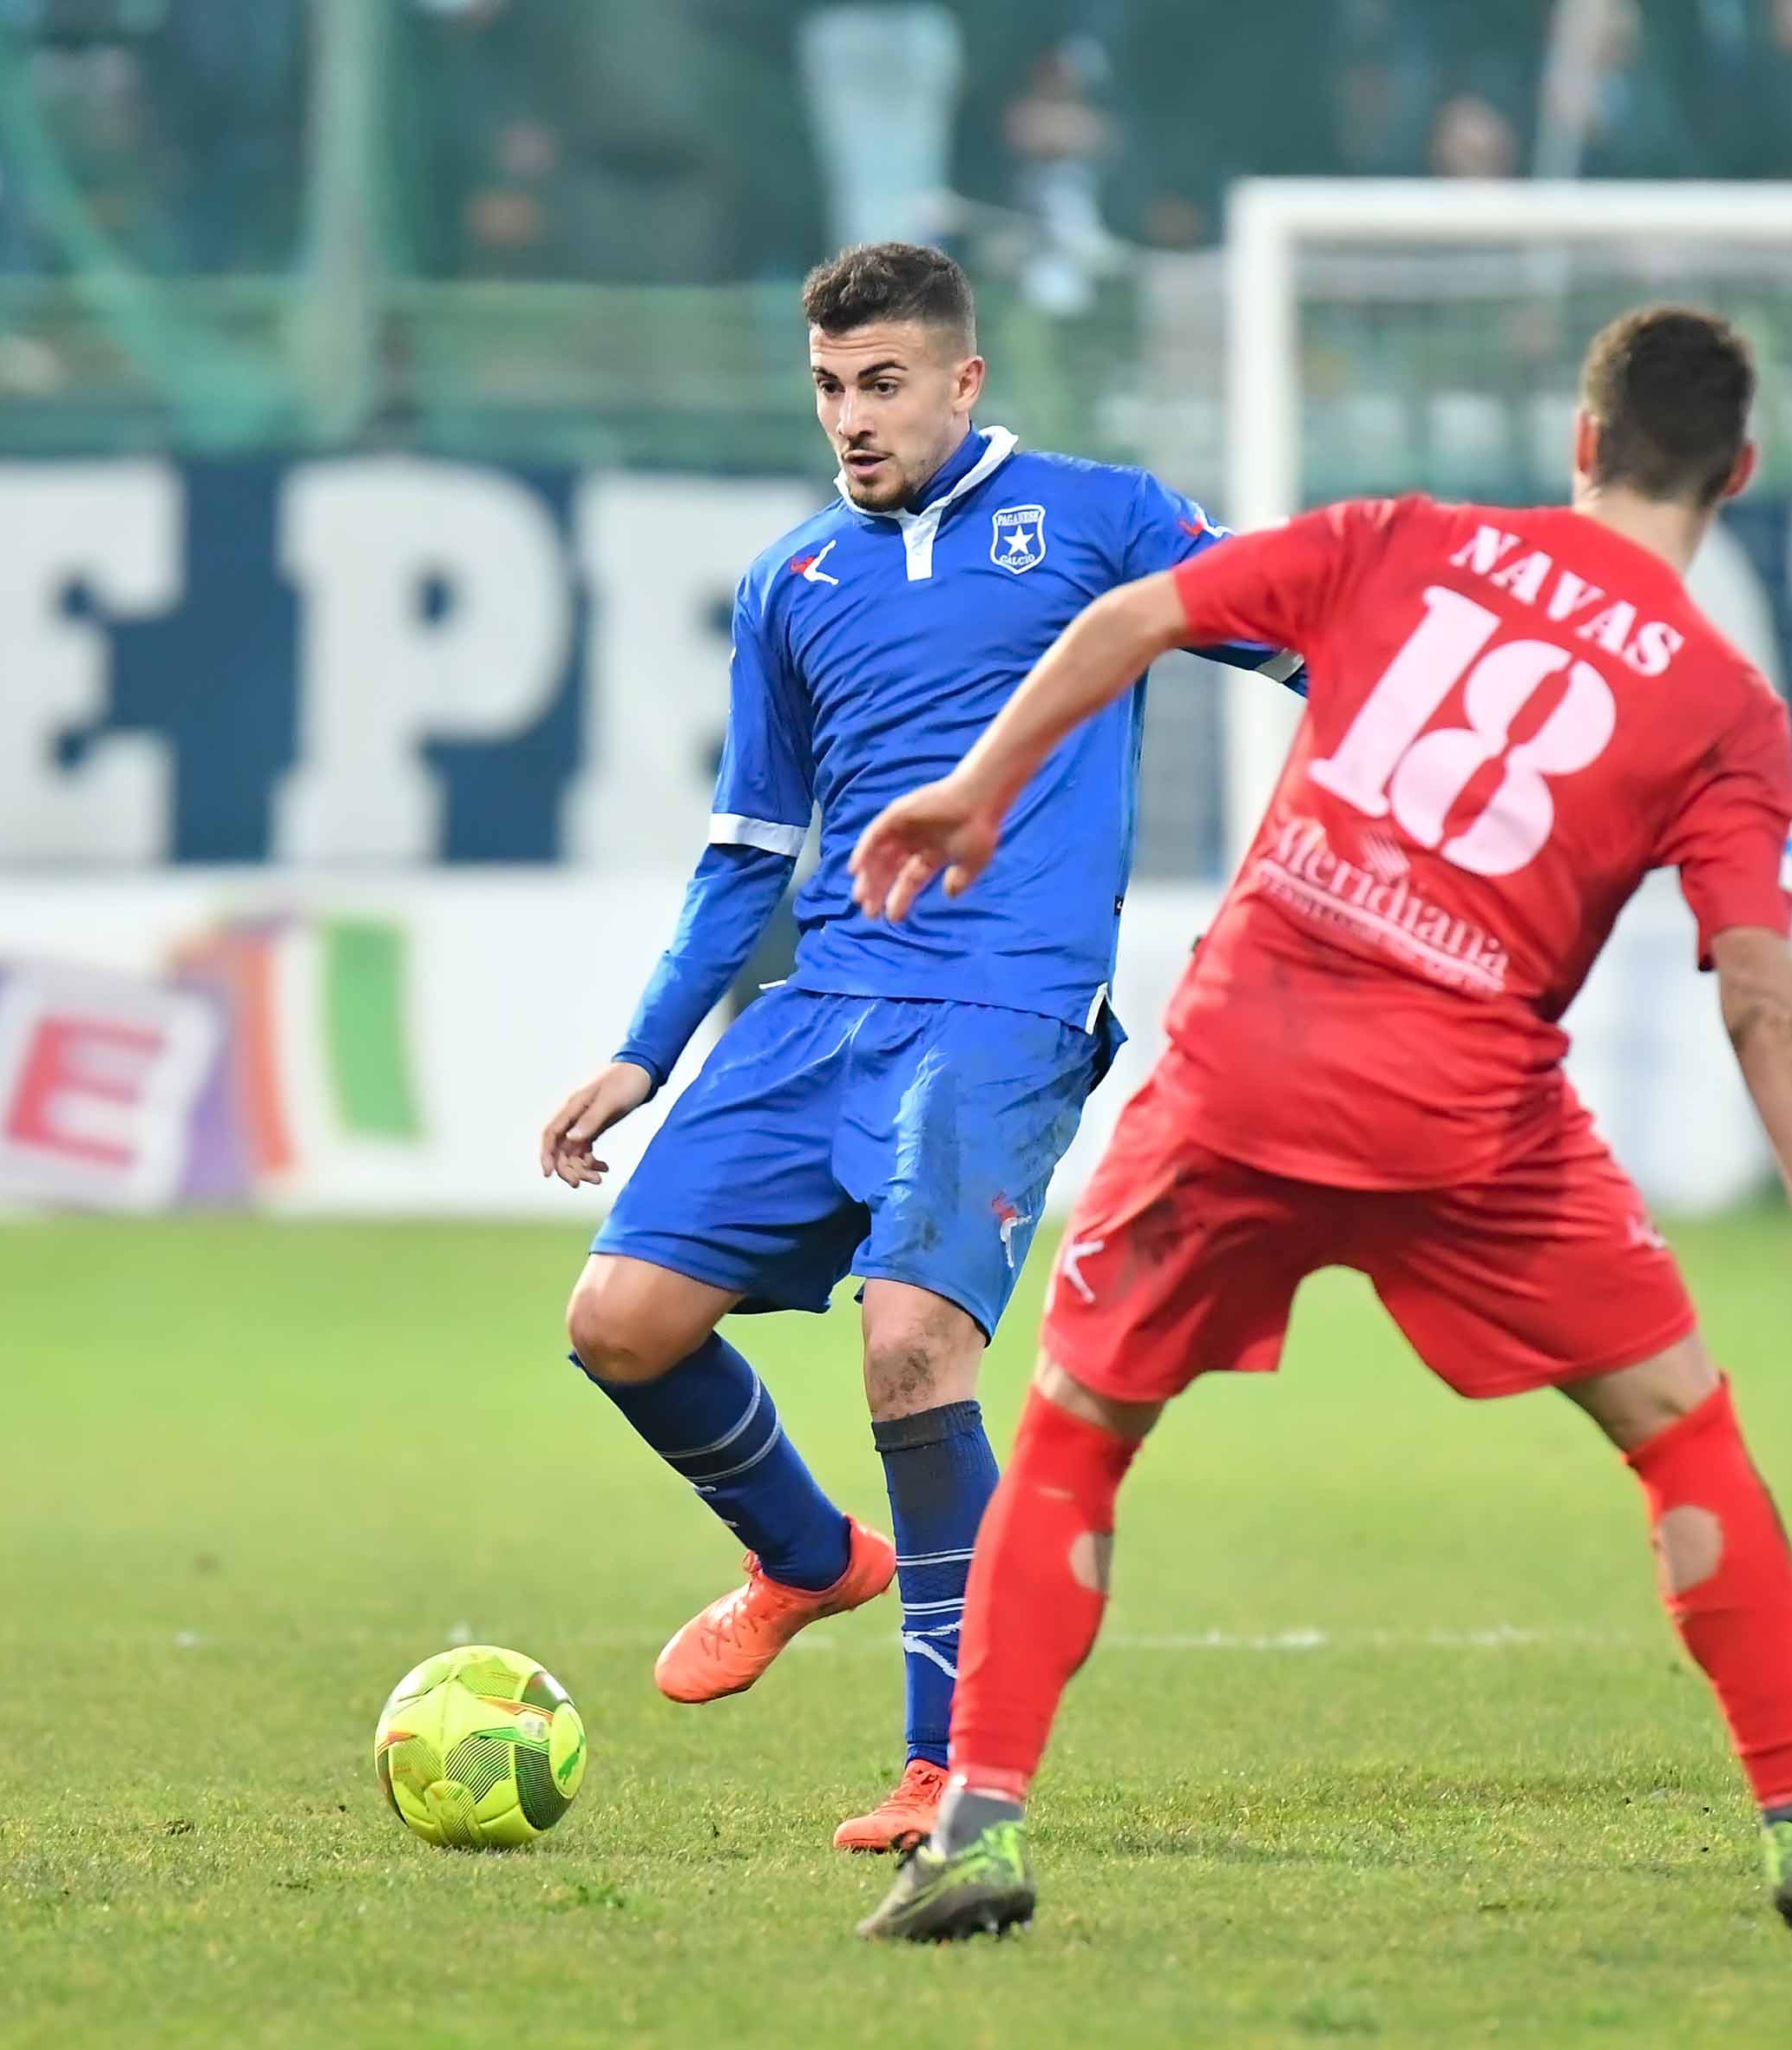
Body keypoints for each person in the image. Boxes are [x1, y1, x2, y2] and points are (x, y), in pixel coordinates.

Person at [846, 306, 1792, 1941]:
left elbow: (1132, 619)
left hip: (1240, 1066)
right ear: (1737, 473)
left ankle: (974, 1825)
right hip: (1469, 1117)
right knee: (1681, 1427)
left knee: (1078, 1439)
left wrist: (976, 786)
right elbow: (1760, 991)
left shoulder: (1402, 538)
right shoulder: (1725, 705)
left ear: (1584, 444)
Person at [540, 240, 1301, 1855]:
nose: (852, 419)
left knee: (910, 1349)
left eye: (883, 383)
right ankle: (810, 1558)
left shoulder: (1100, 516)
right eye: (827, 386)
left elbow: (1303, 634)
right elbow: (749, 846)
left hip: (1005, 1006)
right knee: (618, 1320)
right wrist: (645, 1051)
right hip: (822, 1006)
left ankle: (950, 1763)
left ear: (965, 378)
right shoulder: (793, 583)